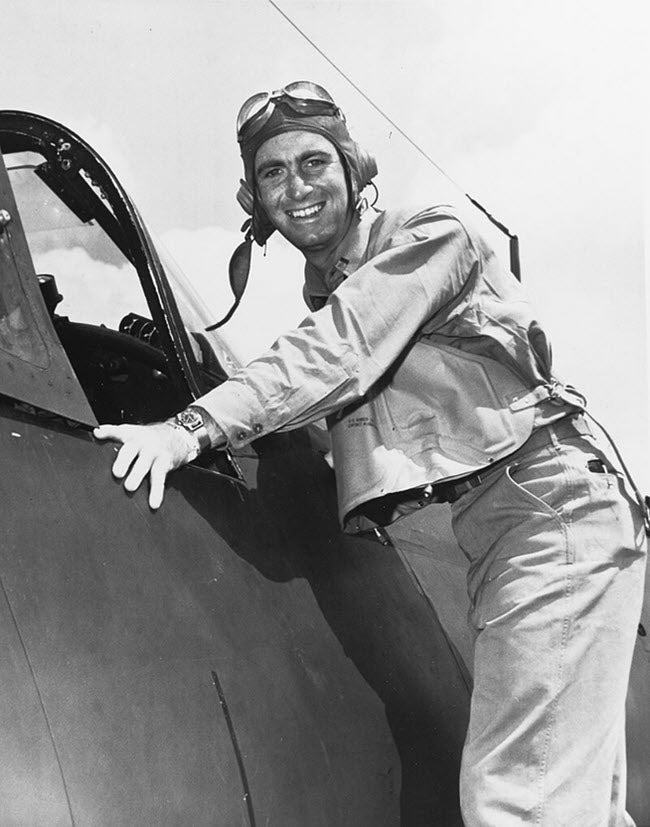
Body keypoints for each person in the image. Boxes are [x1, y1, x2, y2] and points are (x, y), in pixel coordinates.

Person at [94, 81, 648, 825]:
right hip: (507, 530)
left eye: (314, 162)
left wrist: (191, 426)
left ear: (355, 170)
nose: (297, 187)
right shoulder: (338, 293)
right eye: (272, 173)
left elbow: (342, 349)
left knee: (517, 799)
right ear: (253, 202)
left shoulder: (432, 235)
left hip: (549, 509)